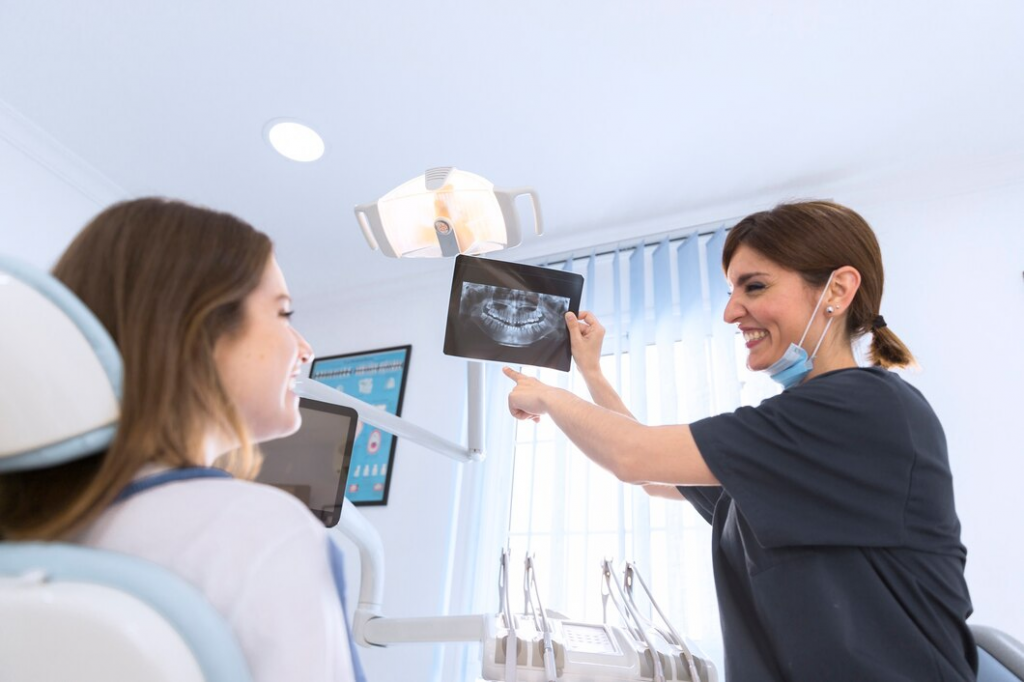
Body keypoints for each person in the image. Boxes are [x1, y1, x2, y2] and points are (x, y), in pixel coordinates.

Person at [504, 200, 976, 681]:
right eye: (732, 290)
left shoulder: (860, 408)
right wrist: (591, 371)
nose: (731, 312)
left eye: (755, 286)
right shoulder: (798, 446)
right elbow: (648, 474)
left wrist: (546, 396)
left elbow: (632, 455)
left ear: (837, 289)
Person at [0, 198, 362, 682]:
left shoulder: (28, 527)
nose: (304, 349)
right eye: (283, 313)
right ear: (198, 328)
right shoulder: (258, 533)